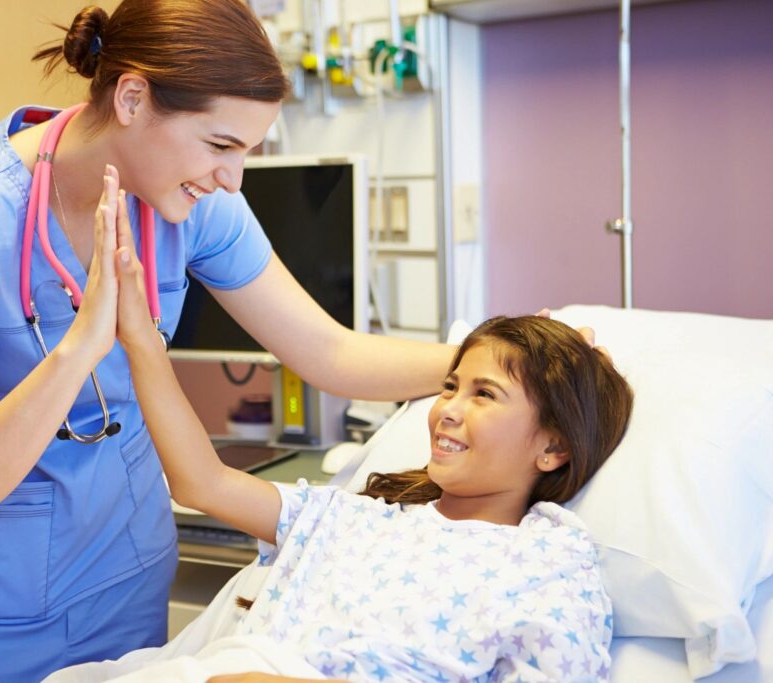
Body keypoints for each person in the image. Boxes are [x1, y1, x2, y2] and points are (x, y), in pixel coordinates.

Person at [0, 1, 460, 681]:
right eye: (220, 145)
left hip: (122, 584)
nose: (233, 178)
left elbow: (328, 352)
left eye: (247, 150)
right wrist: (80, 347)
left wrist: (494, 355)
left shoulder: (195, 205)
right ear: (133, 97)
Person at [83, 230, 635, 682]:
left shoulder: (548, 561)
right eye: (449, 386)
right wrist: (139, 338)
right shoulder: (354, 518)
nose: (447, 409)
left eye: (483, 394)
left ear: (554, 446)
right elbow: (201, 484)